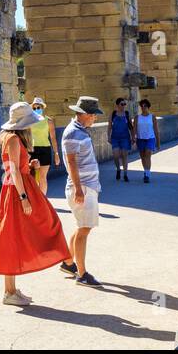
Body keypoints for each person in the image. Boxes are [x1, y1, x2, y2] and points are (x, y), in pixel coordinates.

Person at [0, 101, 72, 306]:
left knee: (16, 235)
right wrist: (23, 198)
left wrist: (30, 165)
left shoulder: (13, 138)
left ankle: (10, 290)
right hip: (17, 190)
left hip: (21, 187)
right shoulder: (12, 139)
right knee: (21, 233)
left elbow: (16, 166)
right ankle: (9, 291)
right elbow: (11, 170)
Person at [59, 95, 104, 287]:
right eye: (93, 115)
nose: (95, 118)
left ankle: (69, 263)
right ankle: (82, 273)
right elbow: (71, 162)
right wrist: (78, 189)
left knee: (82, 226)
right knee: (84, 229)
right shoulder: (72, 133)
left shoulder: (80, 131)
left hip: (87, 186)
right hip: (82, 187)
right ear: (84, 114)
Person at [27, 96, 59, 193]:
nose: (36, 109)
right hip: (32, 150)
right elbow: (26, 137)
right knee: (32, 176)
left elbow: (53, 138)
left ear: (42, 108)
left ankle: (43, 200)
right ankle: (35, 199)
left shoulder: (48, 121)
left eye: (38, 107)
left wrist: (56, 154)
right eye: (34, 108)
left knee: (42, 177)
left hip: (45, 149)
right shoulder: (29, 121)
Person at [134, 98, 160, 184]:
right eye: (142, 106)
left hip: (150, 138)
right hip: (140, 139)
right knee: (142, 157)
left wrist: (158, 143)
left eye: (145, 106)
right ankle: (145, 171)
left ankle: (147, 175)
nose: (143, 107)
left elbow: (156, 130)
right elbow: (134, 130)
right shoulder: (137, 117)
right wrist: (133, 138)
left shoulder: (152, 117)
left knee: (148, 154)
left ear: (148, 107)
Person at [109, 97, 133, 181]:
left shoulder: (127, 114)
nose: (123, 106)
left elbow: (131, 127)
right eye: (122, 104)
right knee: (116, 156)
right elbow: (109, 127)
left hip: (125, 138)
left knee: (124, 156)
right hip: (115, 138)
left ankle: (125, 174)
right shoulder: (113, 114)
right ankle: (118, 169)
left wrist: (133, 137)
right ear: (117, 105)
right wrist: (108, 136)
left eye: (124, 104)